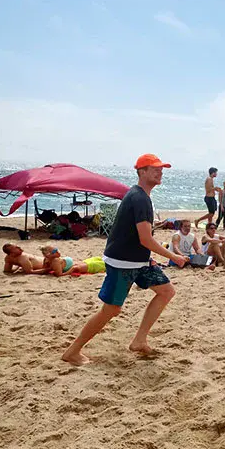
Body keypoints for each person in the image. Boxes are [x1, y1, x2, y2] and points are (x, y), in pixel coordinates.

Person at [61, 154, 187, 366]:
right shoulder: (139, 198)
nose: (160, 171)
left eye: (161, 168)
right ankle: (72, 352)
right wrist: (173, 256)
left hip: (138, 261)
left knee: (166, 291)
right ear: (141, 172)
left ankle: (139, 340)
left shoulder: (142, 196)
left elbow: (138, 238)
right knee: (111, 310)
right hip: (122, 262)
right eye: (154, 168)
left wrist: (149, 259)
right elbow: (145, 238)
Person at [39, 245, 106, 276]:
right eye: (55, 251)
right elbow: (60, 274)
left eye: (56, 249)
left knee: (97, 259)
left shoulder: (48, 259)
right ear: (49, 255)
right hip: (76, 267)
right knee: (100, 265)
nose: (58, 252)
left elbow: (44, 269)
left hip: (77, 264)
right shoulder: (55, 261)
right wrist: (72, 270)